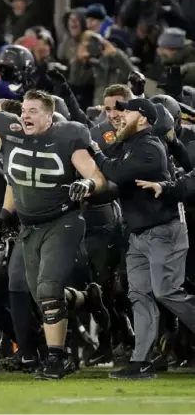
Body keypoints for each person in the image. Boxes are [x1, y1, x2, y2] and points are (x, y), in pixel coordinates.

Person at [0, 24, 107, 379]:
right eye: (25, 110)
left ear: (51, 116)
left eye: (34, 110)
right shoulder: (9, 132)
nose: (27, 115)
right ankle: (82, 301)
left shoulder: (68, 136)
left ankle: (56, 357)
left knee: (47, 290)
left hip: (62, 220)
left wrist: (85, 185)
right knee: (37, 294)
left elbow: (94, 173)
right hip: (28, 226)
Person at [90, 97, 195, 379]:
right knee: (139, 296)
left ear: (144, 119)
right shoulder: (128, 144)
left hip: (164, 231)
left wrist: (94, 150)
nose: (120, 116)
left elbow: (115, 172)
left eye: (127, 111)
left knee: (167, 292)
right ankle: (141, 361)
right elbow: (109, 161)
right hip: (138, 234)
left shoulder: (149, 147)